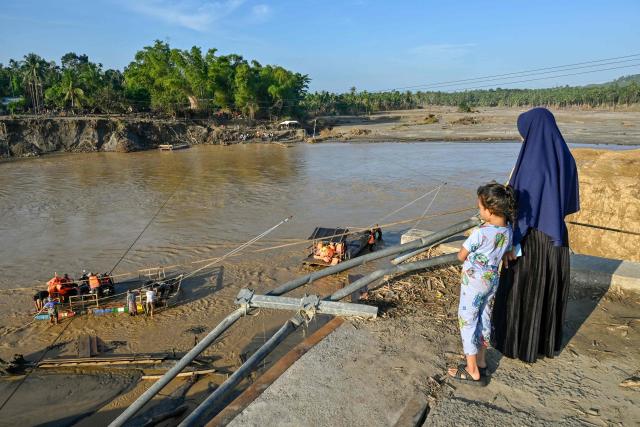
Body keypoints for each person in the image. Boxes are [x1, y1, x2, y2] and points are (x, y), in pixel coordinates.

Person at [492, 107, 580, 363]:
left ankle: (519, 346)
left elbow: (525, 212)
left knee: (523, 291)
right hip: (557, 237)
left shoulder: (533, 162)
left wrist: (511, 243)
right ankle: (544, 344)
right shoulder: (565, 156)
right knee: (547, 292)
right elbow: (568, 202)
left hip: (533, 239)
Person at [448, 182, 515, 385]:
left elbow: (461, 256)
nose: (479, 211)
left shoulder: (480, 233)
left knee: (467, 320)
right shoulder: (508, 230)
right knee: (484, 316)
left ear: (490, 210)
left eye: (480, 208)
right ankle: (481, 361)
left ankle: (472, 370)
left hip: (474, 283)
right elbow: (509, 253)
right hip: (492, 280)